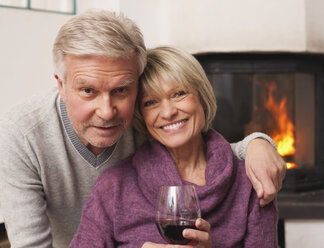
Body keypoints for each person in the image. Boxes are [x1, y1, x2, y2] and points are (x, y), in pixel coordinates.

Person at [0, 9, 284, 248]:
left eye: (121, 90)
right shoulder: (21, 135)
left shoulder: (152, 122)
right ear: (61, 85)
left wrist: (260, 144)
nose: (107, 111)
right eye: (88, 90)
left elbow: (204, 148)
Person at [70, 46, 278, 248]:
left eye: (178, 94)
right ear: (142, 116)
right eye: (151, 102)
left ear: (202, 99)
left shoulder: (251, 180)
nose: (168, 112)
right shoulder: (114, 186)